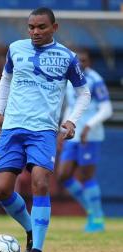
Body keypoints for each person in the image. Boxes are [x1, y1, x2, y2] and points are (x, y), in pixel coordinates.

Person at [0, 7, 91, 252]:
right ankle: (30, 230)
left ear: (54, 28)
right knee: (1, 189)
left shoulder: (68, 57)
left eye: (41, 27)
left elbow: (84, 94)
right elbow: (5, 80)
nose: (35, 32)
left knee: (40, 182)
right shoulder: (15, 49)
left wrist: (71, 121)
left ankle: (35, 251)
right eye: (31, 27)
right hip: (12, 128)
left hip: (43, 131)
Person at [57, 51, 113, 233]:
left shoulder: (95, 80)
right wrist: (62, 130)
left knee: (86, 176)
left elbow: (107, 109)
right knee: (63, 175)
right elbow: (71, 108)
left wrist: (89, 126)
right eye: (77, 60)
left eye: (83, 60)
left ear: (90, 62)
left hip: (90, 136)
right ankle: (91, 209)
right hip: (73, 134)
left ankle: (97, 220)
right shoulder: (70, 79)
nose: (80, 62)